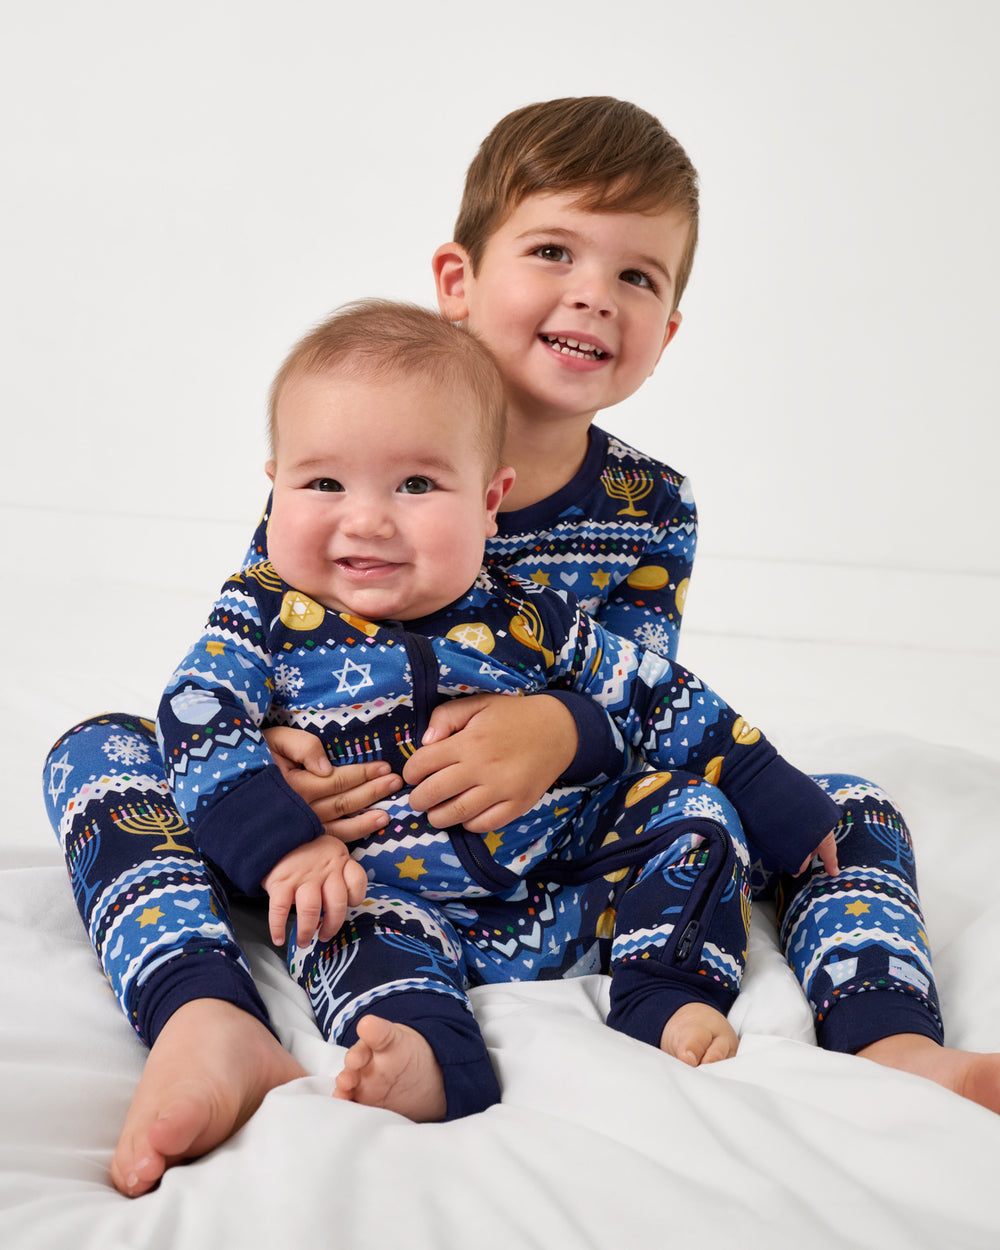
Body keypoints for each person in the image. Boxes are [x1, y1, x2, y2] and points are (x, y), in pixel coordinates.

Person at [42, 95, 1000, 1198]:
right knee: (97, 751)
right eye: (552, 250)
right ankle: (205, 1009)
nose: (593, 291)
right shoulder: (356, 432)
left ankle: (885, 1036)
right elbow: (252, 642)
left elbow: (649, 697)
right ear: (457, 282)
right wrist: (272, 766)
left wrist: (561, 727)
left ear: (668, 330)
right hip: (349, 848)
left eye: (638, 276)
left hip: (555, 847)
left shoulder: (647, 506)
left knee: (850, 809)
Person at [158, 297, 841, 1123]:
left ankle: (664, 990)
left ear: (490, 501)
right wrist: (287, 846)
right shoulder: (262, 616)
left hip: (563, 880)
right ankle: (427, 1051)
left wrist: (776, 798)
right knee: (342, 930)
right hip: (384, 886)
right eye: (324, 482)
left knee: (692, 814)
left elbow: (655, 692)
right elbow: (197, 715)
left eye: (416, 484)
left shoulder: (527, 613)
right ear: (276, 489)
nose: (366, 518)